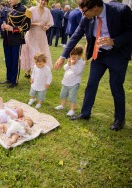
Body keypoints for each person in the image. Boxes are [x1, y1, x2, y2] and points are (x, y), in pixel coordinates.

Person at [54, 0, 132, 131]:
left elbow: (131, 32)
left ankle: (119, 119)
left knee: (116, 86)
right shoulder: (87, 17)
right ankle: (85, 113)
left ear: (95, 7)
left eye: (84, 11)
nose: (83, 15)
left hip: (118, 55)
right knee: (91, 84)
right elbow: (76, 35)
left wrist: (114, 41)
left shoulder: (121, 10)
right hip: (99, 55)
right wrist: (63, 56)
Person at [0, 0, 31, 88]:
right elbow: (8, 22)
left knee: (15, 61)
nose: (9, 0)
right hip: (7, 38)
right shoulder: (11, 9)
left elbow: (27, 26)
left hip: (16, 39)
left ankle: (14, 81)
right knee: (8, 60)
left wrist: (13, 29)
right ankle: (9, 78)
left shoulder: (26, 10)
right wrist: (4, 26)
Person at [20, 0, 53, 78]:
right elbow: (26, 24)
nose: (43, 2)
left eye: (45, 1)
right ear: (39, 1)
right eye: (42, 0)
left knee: (42, 53)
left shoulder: (47, 11)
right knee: (33, 53)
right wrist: (37, 24)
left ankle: (39, 72)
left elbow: (50, 23)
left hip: (42, 37)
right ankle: (31, 72)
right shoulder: (32, 9)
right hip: (32, 35)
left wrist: (46, 27)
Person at [54, 45, 85, 116]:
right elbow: (65, 68)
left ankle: (72, 110)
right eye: (71, 56)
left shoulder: (81, 63)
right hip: (65, 82)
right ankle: (62, 105)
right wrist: (68, 64)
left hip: (74, 83)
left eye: (74, 57)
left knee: (72, 97)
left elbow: (78, 72)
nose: (72, 58)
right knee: (63, 95)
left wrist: (73, 65)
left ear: (80, 55)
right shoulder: (70, 60)